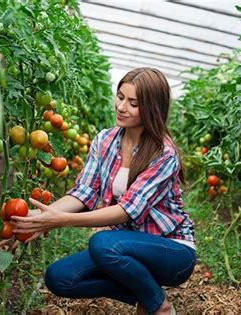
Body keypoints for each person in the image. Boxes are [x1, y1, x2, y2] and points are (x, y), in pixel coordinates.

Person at [11, 67, 196, 314]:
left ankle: (158, 307)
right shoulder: (105, 140)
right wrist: (39, 217)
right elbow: (84, 192)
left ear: (152, 108)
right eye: (120, 97)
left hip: (172, 251)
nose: (121, 107)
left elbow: (125, 212)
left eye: (133, 103)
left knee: (102, 243)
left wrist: (60, 221)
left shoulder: (163, 153)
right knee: (60, 277)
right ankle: (146, 294)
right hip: (124, 245)